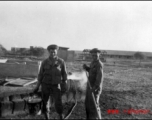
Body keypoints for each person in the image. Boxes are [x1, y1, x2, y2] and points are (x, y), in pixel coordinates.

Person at [33, 44, 67, 120]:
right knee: (45, 102)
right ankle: (47, 117)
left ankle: (61, 116)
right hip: (45, 85)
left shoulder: (61, 61)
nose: (52, 54)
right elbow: (40, 75)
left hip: (56, 85)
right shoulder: (44, 62)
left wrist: (65, 83)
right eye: (51, 52)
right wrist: (37, 86)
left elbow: (64, 73)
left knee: (58, 102)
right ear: (49, 52)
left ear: (56, 52)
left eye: (54, 52)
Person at [83, 48, 104, 119]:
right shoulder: (92, 63)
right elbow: (92, 72)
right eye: (93, 55)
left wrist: (94, 88)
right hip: (90, 87)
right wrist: (87, 68)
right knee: (88, 104)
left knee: (94, 106)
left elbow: (99, 78)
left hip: (95, 88)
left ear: (99, 55)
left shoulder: (99, 64)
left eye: (96, 55)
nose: (94, 57)